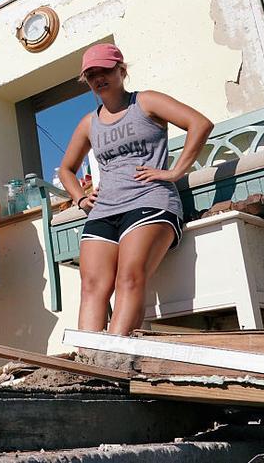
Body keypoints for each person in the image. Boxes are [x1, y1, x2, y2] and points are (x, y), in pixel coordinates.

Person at [58, 43, 213, 336]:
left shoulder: (146, 102)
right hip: (104, 209)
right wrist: (79, 197)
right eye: (91, 74)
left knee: (128, 278)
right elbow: (66, 169)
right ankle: (90, 366)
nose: (98, 78)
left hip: (149, 201)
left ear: (121, 70)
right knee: (92, 286)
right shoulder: (89, 123)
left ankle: (113, 355)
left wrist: (175, 171)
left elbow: (199, 123)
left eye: (105, 70)